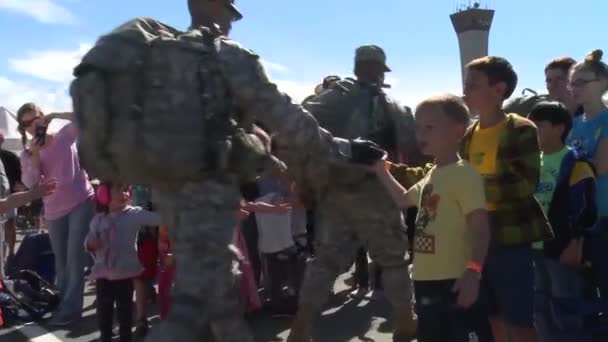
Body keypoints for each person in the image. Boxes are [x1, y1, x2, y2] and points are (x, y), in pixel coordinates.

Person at [71, 2, 384, 342]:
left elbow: (225, 129)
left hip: (168, 187)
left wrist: (269, 162)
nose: (232, 23)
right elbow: (287, 116)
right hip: (211, 192)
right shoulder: (228, 56)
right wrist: (347, 149)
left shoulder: (158, 53)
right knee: (200, 302)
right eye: (230, 13)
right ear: (216, 8)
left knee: (211, 297)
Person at [287, 45, 419, 342]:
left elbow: (297, 128)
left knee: (327, 261)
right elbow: (414, 147)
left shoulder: (344, 96)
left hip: (341, 191)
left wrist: (304, 176)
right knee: (393, 260)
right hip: (374, 193)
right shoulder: (381, 102)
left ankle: (301, 325)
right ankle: (405, 320)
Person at [375, 94, 490, 342]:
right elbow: (403, 199)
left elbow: (480, 227)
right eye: (418, 127)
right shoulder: (432, 175)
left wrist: (473, 272)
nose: (421, 134)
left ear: (458, 130)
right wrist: (378, 168)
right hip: (425, 280)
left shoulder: (465, 174)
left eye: (430, 127)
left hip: (455, 280)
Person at [462, 56, 553, 342]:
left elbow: (525, 183)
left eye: (472, 84)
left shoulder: (521, 129)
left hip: (510, 238)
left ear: (498, 89)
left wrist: (471, 188)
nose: (465, 91)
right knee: (492, 316)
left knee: (520, 320)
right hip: (475, 237)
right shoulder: (468, 135)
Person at [17, 103, 95, 326]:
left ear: (43, 119)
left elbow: (84, 117)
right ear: (22, 128)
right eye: (26, 123)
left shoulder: (63, 136)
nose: (32, 126)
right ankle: (64, 302)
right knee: (61, 260)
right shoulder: (27, 152)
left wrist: (56, 115)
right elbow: (31, 183)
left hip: (81, 201)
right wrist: (34, 156)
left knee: (73, 257)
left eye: (36, 119)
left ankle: (70, 311)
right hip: (53, 210)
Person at [528, 102, 596, 342]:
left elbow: (585, 208)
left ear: (559, 128)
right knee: (540, 306)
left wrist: (576, 242)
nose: (532, 132)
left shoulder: (576, 161)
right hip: (534, 248)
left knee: (567, 304)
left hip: (561, 247)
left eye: (539, 126)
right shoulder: (532, 161)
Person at [85, 182, 162, 342]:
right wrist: (91, 244)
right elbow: (88, 240)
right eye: (119, 190)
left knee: (125, 316)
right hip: (103, 277)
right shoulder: (98, 220)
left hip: (125, 276)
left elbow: (158, 219)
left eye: (127, 190)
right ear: (104, 194)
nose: (125, 194)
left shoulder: (134, 214)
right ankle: (105, 337)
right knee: (104, 316)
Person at [566, 49, 608, 301]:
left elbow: (601, 166)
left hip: (603, 214)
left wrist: (573, 167)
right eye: (573, 83)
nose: (575, 88)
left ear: (603, 83)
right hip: (580, 216)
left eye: (582, 82)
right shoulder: (574, 123)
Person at [504, 57, 581, 117]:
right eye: (549, 80)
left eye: (559, 79)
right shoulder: (541, 114)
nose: (553, 85)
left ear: (573, 80)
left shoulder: (588, 112)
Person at [0, 132, 23, 258]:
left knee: (9, 224)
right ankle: (11, 253)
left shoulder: (11, 156)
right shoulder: (11, 156)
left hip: (10, 195)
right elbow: (20, 177)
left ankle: (10, 252)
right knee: (10, 224)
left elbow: (20, 177)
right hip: (10, 195)